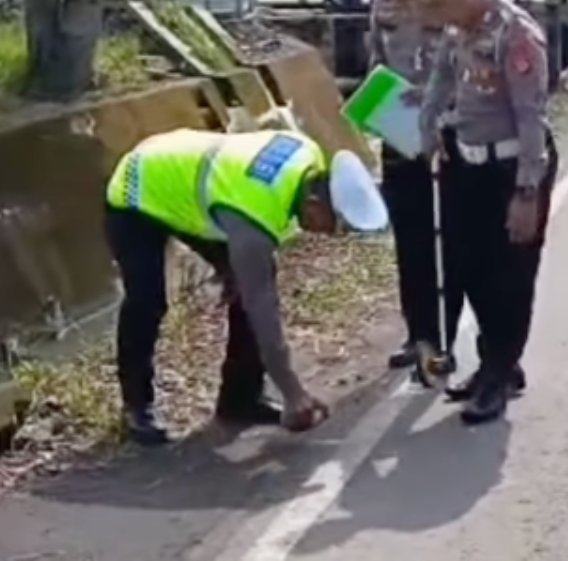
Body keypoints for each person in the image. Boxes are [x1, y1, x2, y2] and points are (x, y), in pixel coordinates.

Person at [104, 128, 388, 445]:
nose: (328, 235)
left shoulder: (308, 155)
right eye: (331, 225)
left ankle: (239, 400)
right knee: (148, 300)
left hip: (196, 183)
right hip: (138, 190)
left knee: (249, 280)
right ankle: (136, 406)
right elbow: (262, 308)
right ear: (313, 204)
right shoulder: (255, 213)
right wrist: (293, 392)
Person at [413, 0, 559, 426]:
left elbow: (531, 117)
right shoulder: (458, 28)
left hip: (513, 168)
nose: (431, 16)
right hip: (468, 164)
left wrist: (526, 193)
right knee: (469, 268)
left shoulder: (515, 34)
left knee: (510, 278)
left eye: (435, 4)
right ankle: (496, 363)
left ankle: (497, 375)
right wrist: (428, 124)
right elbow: (441, 77)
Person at [368, 0, 462, 375]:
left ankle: (453, 336)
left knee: (455, 241)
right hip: (401, 134)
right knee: (411, 240)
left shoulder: (443, 5)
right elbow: (375, 64)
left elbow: (463, 67)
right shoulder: (381, 7)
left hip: (448, 133)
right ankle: (419, 333)